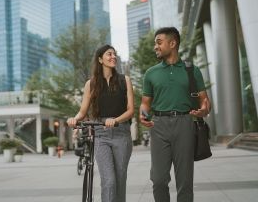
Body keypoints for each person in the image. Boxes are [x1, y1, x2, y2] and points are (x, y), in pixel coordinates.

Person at [139, 27, 210, 202]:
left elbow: (205, 101)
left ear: (173, 43)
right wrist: (143, 115)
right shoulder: (151, 73)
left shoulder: (192, 70)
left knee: (185, 180)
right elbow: (145, 103)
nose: (155, 47)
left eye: (159, 42)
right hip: (159, 125)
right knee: (159, 179)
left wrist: (203, 109)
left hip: (185, 123)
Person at [67, 44, 134, 202]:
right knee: (109, 181)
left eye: (114, 54)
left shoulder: (125, 80)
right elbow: (83, 112)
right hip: (101, 135)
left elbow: (131, 110)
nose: (113, 57)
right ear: (100, 59)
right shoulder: (91, 84)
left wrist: (116, 120)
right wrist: (75, 119)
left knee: (120, 179)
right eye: (109, 54)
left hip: (121, 133)